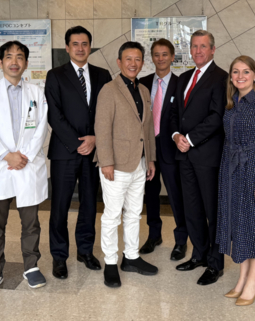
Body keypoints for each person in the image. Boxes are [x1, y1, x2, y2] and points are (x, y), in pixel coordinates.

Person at [0, 41, 49, 296]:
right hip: (1, 167)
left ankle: (31, 267)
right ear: (1, 62)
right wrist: (8, 156)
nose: (14, 61)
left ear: (26, 63)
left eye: (20, 57)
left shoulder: (37, 93)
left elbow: (41, 127)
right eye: (9, 57)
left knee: (31, 223)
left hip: (27, 165)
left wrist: (23, 156)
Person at [45, 26, 112, 279]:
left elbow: (107, 112)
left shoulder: (102, 74)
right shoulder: (55, 75)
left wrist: (95, 139)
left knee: (89, 204)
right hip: (65, 151)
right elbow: (54, 114)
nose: (80, 48)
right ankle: (59, 256)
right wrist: (76, 142)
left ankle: (85, 251)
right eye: (75, 44)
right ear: (67, 47)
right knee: (60, 205)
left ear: (90, 46)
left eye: (85, 43)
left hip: (94, 151)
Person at [216, 55, 255, 306]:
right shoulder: (233, 102)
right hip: (232, 170)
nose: (240, 76)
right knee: (238, 224)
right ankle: (242, 277)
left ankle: (254, 279)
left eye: (245, 71)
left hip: (254, 171)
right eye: (235, 72)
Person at [94, 41, 158, 288]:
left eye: (138, 59)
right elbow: (102, 128)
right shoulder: (109, 90)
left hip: (139, 163)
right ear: (119, 62)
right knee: (112, 216)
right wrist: (106, 162)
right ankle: (110, 261)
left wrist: (150, 158)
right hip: (116, 165)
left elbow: (148, 129)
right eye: (128, 59)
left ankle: (130, 257)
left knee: (134, 213)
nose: (133, 63)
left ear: (143, 63)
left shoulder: (143, 90)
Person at [170, 30, 227, 285]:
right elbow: (173, 114)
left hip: (207, 157)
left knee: (212, 211)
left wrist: (190, 139)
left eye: (204, 46)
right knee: (192, 209)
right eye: (194, 46)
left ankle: (215, 263)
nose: (198, 51)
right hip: (184, 156)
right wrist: (175, 136)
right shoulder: (183, 78)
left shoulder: (222, 78)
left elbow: (216, 116)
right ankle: (199, 254)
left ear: (213, 49)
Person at [138, 38, 188, 260]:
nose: (160, 59)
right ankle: (154, 235)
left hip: (170, 149)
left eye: (164, 54)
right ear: (152, 57)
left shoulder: (182, 84)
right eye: (156, 54)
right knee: (150, 195)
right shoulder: (142, 83)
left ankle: (181, 240)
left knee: (176, 195)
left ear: (172, 57)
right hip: (147, 149)